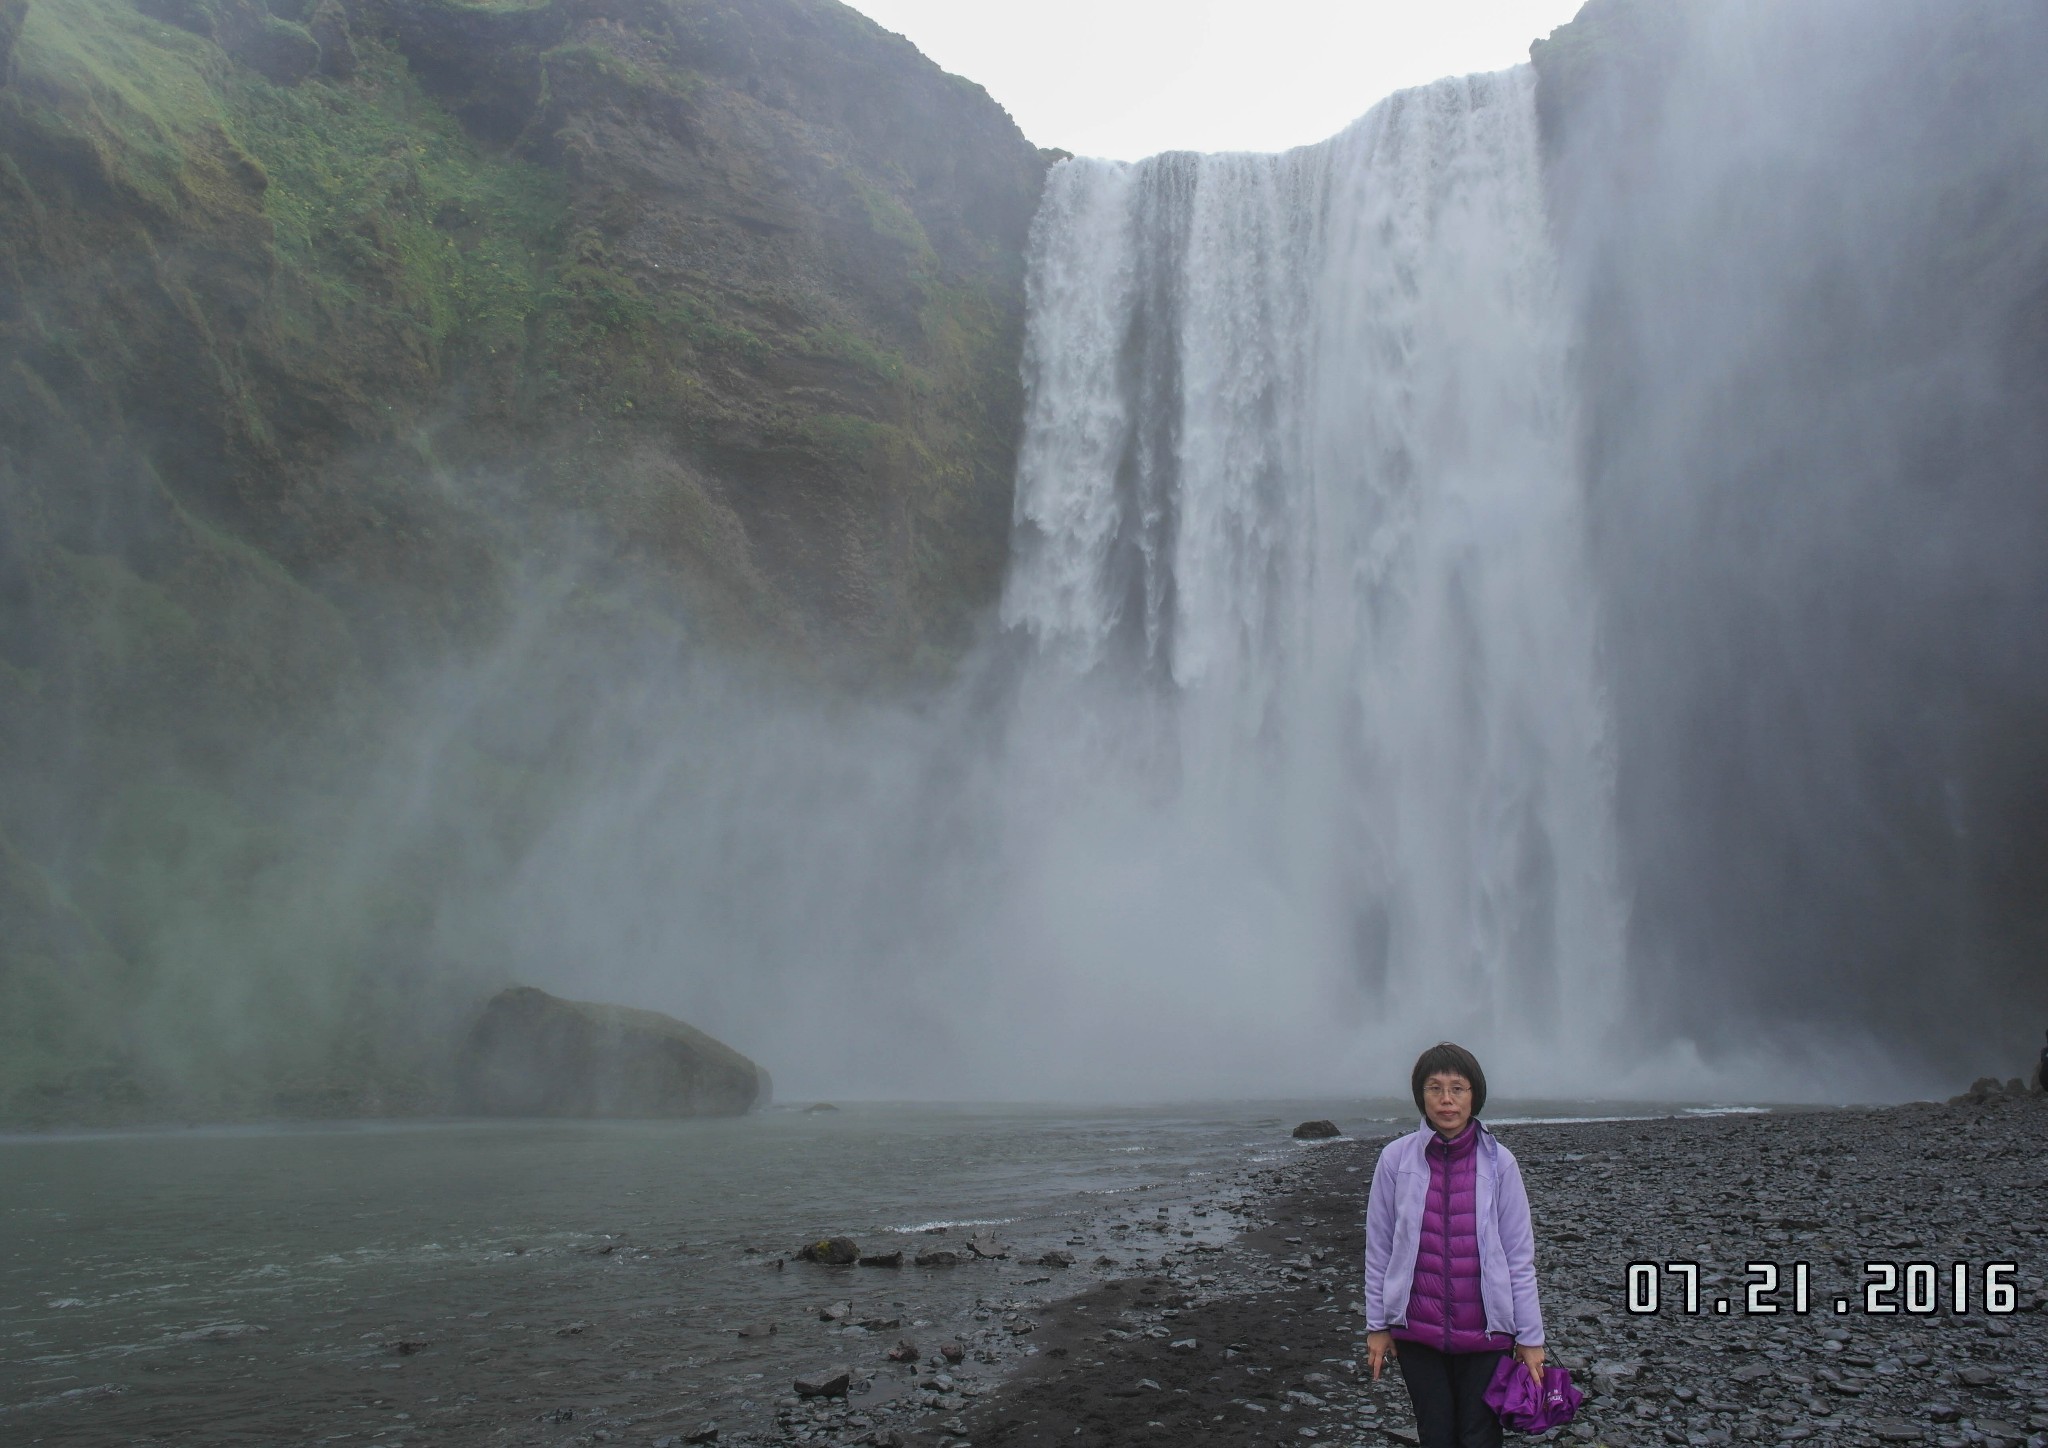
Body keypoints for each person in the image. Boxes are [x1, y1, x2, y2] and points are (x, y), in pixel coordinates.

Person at [1363, 1042, 1547, 1448]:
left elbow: (1519, 1257)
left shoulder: (1501, 1164)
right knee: (1436, 1435)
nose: (1446, 1099)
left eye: (1458, 1088)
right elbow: (1379, 1248)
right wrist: (1377, 1325)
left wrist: (1531, 1338)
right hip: (1417, 1333)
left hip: (1487, 1333)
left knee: (1480, 1436)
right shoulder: (1395, 1160)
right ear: (1421, 1096)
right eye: (1434, 1088)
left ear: (1474, 1095)